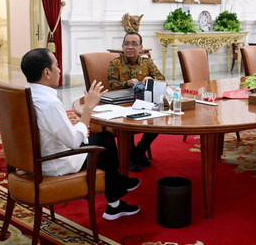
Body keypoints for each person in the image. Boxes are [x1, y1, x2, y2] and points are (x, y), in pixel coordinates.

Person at [21, 48, 140, 220]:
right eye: (57, 65)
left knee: (103, 139)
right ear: (47, 72)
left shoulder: (27, 94)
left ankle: (118, 188)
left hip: (36, 158)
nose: (60, 70)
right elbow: (74, 142)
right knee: (105, 143)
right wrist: (89, 107)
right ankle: (115, 200)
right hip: (54, 163)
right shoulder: (49, 103)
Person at [107, 31, 165, 171]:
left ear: (141, 47)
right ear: (122, 46)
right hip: (122, 105)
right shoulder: (115, 63)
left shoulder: (147, 62)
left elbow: (162, 79)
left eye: (134, 44)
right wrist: (126, 83)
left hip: (143, 104)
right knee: (128, 124)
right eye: (127, 44)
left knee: (159, 121)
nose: (130, 47)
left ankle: (137, 152)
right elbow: (111, 85)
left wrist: (151, 79)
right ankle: (132, 156)